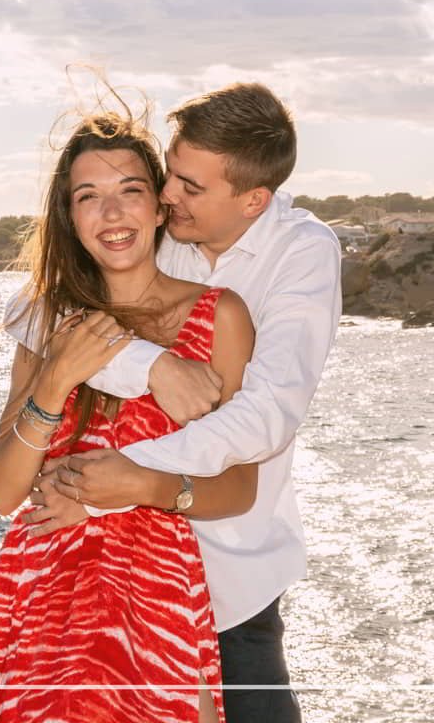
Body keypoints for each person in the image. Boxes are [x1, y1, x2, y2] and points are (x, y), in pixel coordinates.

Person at [19, 83, 342, 723]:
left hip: (230, 570)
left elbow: (267, 415)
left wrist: (127, 473)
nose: (167, 196)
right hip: (116, 570)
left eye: (192, 187)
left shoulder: (301, 253)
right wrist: (154, 365)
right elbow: (38, 315)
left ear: (254, 199)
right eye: (172, 174)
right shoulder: (167, 227)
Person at [0, 106, 258, 723]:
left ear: (158, 206)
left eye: (130, 191)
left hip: (152, 595)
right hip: (42, 587)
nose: (113, 214)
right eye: (89, 196)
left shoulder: (218, 316)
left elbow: (239, 488)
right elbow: (3, 490)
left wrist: (139, 486)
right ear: (70, 217)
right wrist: (58, 374)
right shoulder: (46, 322)